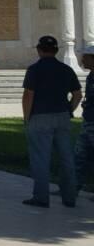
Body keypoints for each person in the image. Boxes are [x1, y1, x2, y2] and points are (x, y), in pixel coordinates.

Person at [21, 35, 80, 208]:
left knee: (41, 159)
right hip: (62, 116)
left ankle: (41, 197)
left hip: (40, 117)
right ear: (56, 50)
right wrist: (69, 110)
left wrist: (26, 117)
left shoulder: (34, 69)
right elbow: (77, 95)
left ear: (39, 50)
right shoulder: (66, 69)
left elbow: (28, 95)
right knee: (67, 158)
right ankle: (69, 197)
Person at [75, 45, 94, 198]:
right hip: (88, 121)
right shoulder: (90, 76)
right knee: (79, 156)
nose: (82, 60)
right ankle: (72, 188)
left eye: (85, 57)